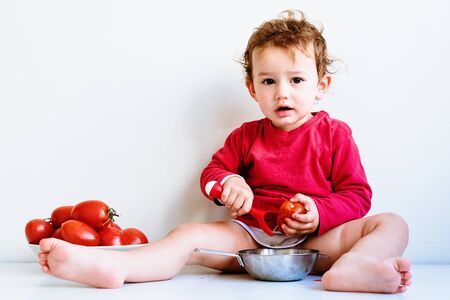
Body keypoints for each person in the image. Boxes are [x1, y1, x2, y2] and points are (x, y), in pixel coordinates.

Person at [37, 10, 411, 293]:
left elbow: (357, 195)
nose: (282, 92)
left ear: (321, 85)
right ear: (252, 89)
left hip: (317, 245)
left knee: (391, 222)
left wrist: (319, 213)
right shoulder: (246, 136)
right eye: (269, 81)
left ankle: (355, 268)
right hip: (248, 240)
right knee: (184, 234)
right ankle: (119, 268)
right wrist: (228, 183)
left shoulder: (335, 134)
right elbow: (212, 175)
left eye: (296, 80)